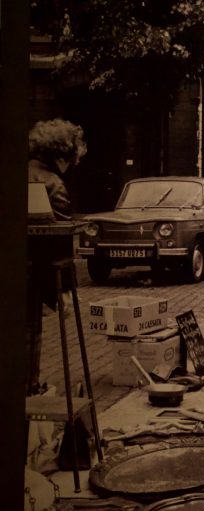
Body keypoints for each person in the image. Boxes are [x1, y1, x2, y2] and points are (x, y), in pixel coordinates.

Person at [26, 119, 88, 394]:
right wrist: (63, 293)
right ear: (63, 155)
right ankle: (30, 388)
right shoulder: (52, 184)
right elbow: (59, 245)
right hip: (34, 275)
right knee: (29, 332)